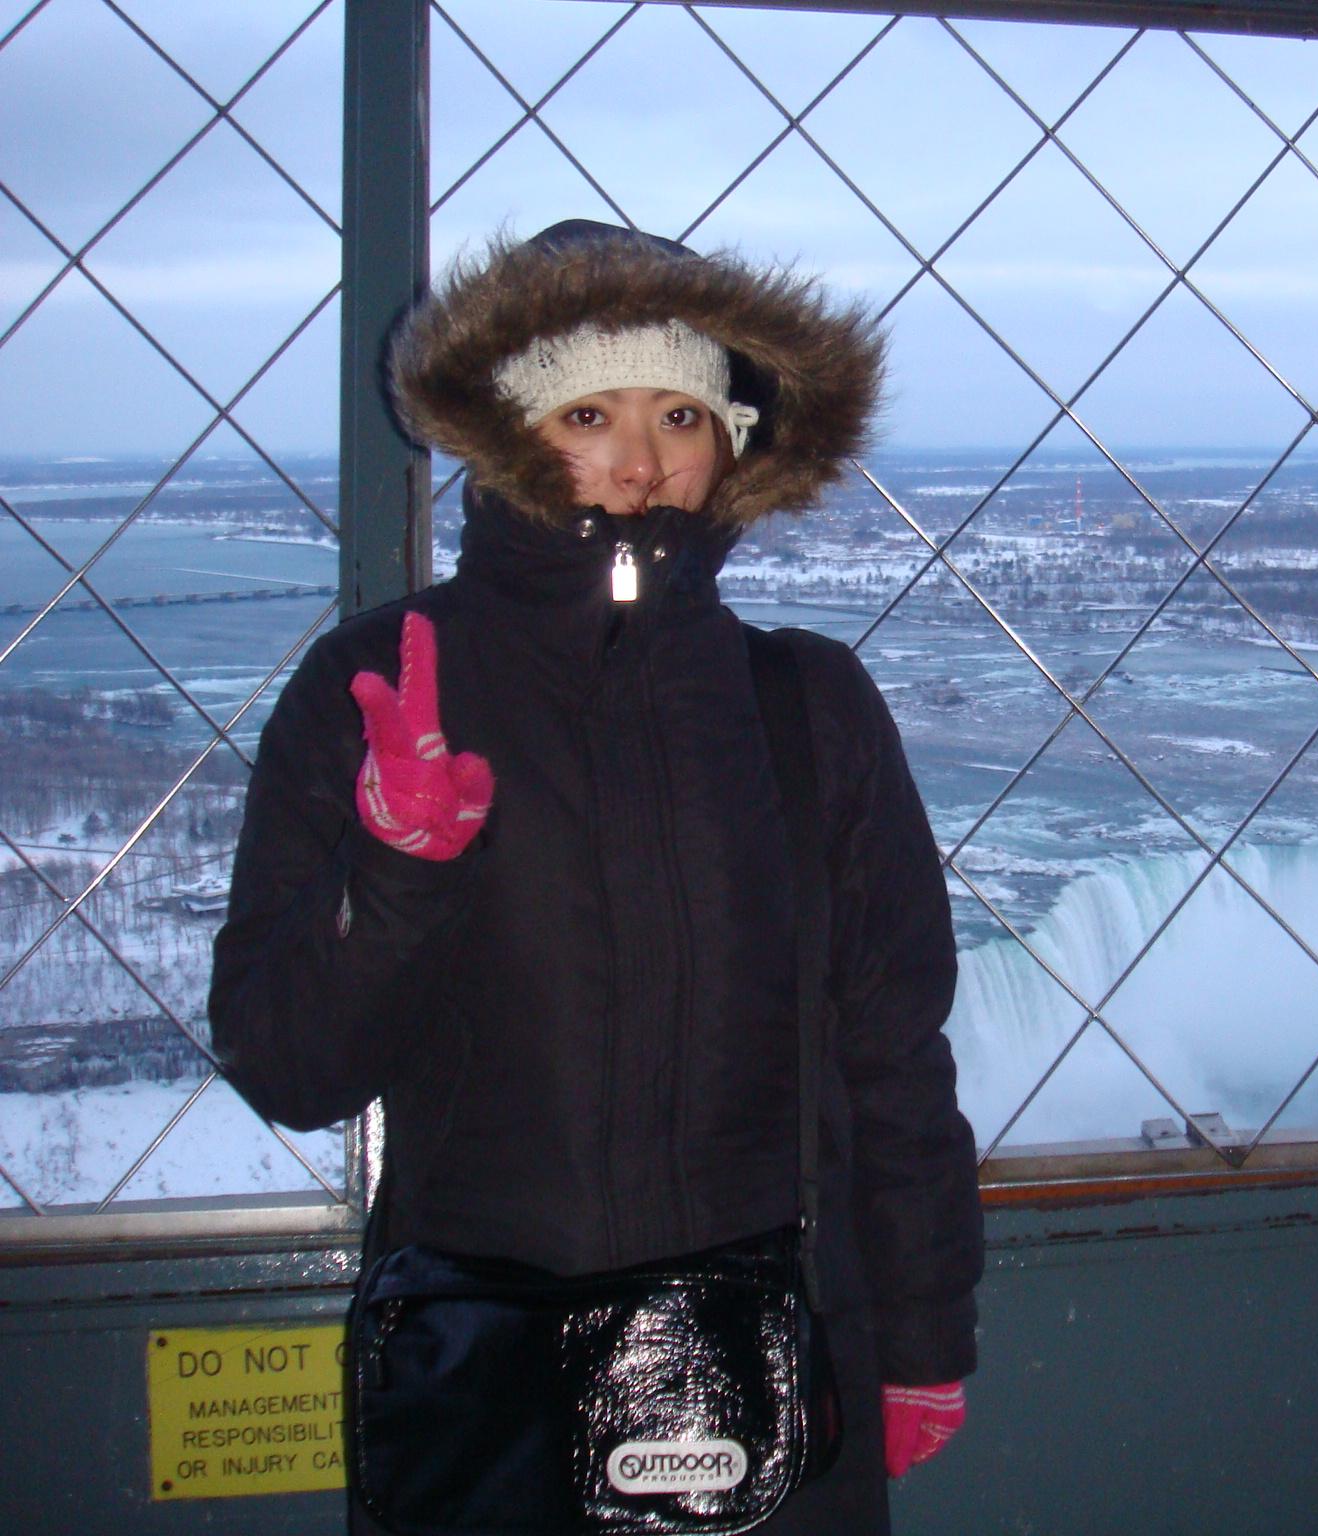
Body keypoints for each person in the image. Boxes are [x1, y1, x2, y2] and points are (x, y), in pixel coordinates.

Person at [209, 219, 983, 1533]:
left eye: (679, 413)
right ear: (507, 435)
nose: (638, 461)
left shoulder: (807, 706)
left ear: (733, 439)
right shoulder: (379, 686)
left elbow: (893, 1055)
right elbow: (287, 1068)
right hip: (482, 1391)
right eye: (586, 414)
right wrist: (393, 870)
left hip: (767, 1368)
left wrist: (919, 1335)